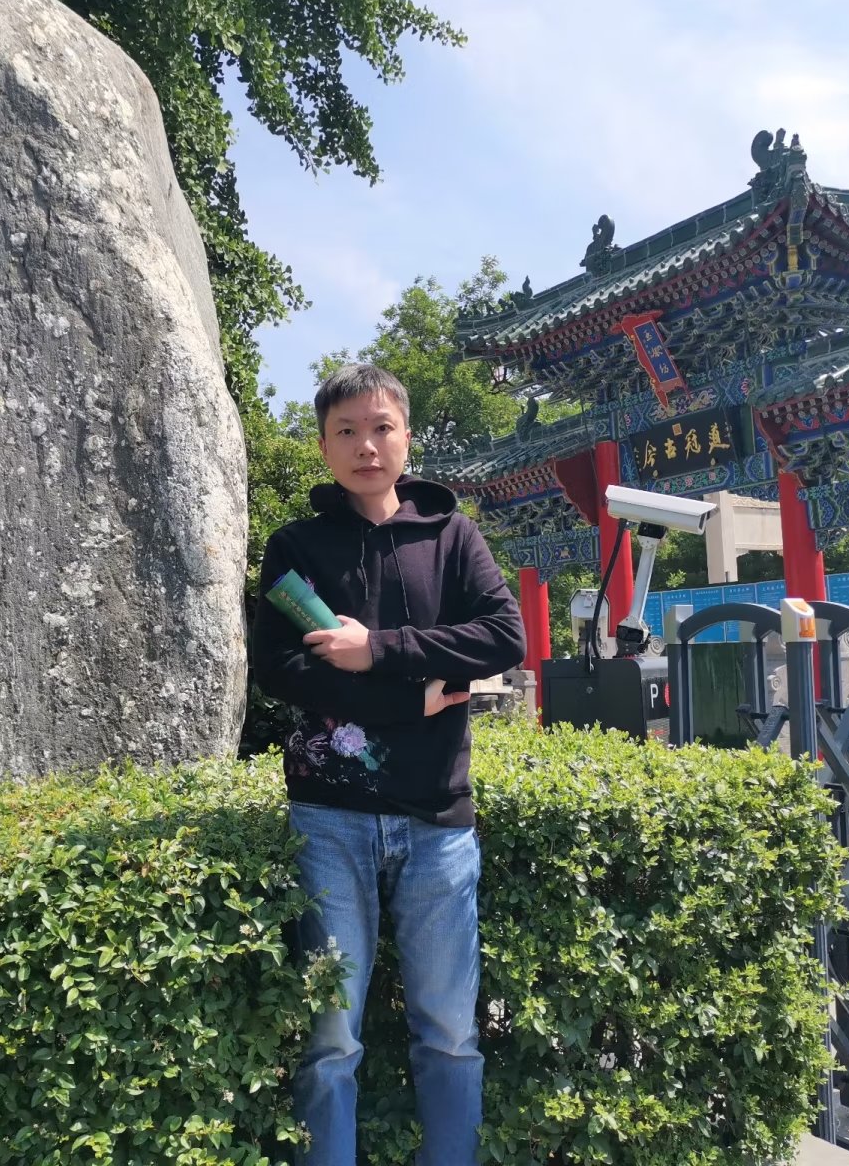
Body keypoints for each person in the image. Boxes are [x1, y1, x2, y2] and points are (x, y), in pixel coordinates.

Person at [250, 363, 526, 1166]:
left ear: (407, 437)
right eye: (346, 431)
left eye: (380, 428)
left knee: (451, 1031)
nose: (365, 445)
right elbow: (278, 670)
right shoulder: (295, 546)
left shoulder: (452, 535)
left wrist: (378, 650)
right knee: (331, 1037)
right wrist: (409, 699)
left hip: (438, 819)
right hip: (328, 819)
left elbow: (503, 636)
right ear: (324, 445)